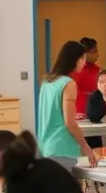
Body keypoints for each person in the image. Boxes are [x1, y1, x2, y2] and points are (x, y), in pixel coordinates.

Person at [38, 41, 97, 169]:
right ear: (73, 59)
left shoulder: (46, 83)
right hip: (62, 148)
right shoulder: (68, 83)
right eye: (82, 58)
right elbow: (69, 122)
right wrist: (86, 147)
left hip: (45, 147)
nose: (84, 62)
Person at [72, 37, 102, 116]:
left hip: (95, 113)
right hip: (77, 114)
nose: (97, 55)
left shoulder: (99, 71)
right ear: (85, 53)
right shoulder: (74, 71)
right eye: (94, 52)